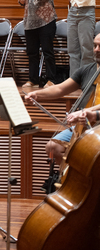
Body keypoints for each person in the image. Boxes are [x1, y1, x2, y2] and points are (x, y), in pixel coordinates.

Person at [26, 33, 100, 161]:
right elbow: (60, 88)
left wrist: (87, 111)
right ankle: (71, 179)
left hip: (97, 123)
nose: (96, 50)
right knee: (52, 147)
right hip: (84, 124)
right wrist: (37, 94)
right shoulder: (87, 70)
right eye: (95, 45)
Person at [18, 0, 59, 88]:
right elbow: (25, 0)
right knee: (32, 52)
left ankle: (51, 79)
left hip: (46, 20)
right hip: (30, 20)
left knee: (48, 51)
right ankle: (33, 79)